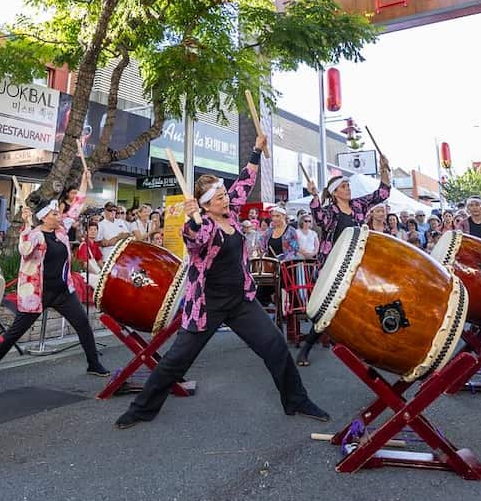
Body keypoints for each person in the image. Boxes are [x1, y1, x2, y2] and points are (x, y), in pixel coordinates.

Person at [114, 133, 329, 429]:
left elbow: (243, 183)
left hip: (240, 300)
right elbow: (194, 239)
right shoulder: (204, 227)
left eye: (224, 195)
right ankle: (141, 409)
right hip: (208, 304)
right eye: (218, 198)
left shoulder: (230, 213)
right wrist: (192, 220)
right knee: (177, 360)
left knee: (274, 345)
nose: (226, 198)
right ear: (205, 206)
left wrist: (255, 151)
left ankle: (296, 399)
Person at [0, 171, 108, 383]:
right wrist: (26, 224)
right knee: (14, 333)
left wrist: (83, 181)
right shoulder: (35, 234)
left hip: (63, 291)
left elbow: (77, 206)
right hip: (39, 294)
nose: (59, 215)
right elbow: (25, 250)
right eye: (54, 213)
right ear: (44, 217)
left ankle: (94, 363)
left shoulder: (62, 230)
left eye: (58, 212)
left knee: (83, 323)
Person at [299, 164, 392, 366]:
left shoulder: (358, 206)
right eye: (344, 186)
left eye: (348, 185)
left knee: (363, 302)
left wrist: (385, 172)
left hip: (356, 263)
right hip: (332, 265)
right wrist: (314, 196)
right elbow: (319, 219)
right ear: (334, 193)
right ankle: (306, 348)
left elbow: (381, 194)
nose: (348, 188)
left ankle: (365, 345)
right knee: (328, 307)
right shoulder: (330, 211)